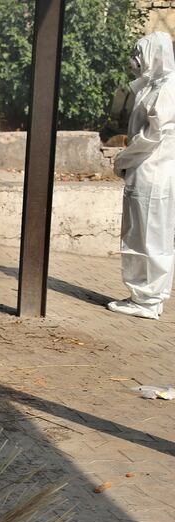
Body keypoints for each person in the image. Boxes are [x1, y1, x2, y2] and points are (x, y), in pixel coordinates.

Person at [109, 31, 175, 320]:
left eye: (139, 54)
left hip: (152, 171)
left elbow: (151, 137)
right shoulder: (152, 86)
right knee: (143, 236)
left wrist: (123, 158)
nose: (133, 60)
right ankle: (146, 296)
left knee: (150, 239)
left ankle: (147, 301)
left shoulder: (166, 90)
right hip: (145, 172)